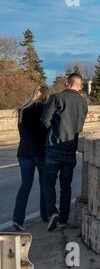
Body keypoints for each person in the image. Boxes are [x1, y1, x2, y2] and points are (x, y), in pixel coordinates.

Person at [41, 73, 88, 231]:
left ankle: (52, 212)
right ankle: (63, 219)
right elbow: (79, 127)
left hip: (54, 147)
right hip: (70, 149)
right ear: (80, 86)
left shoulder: (57, 97)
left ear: (67, 83)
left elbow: (45, 120)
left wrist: (50, 133)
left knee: (48, 183)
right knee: (66, 186)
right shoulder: (83, 103)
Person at [12, 86, 50, 231]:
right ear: (46, 95)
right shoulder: (44, 109)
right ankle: (45, 215)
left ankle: (18, 218)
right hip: (40, 152)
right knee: (44, 184)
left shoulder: (22, 110)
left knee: (25, 185)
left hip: (23, 152)